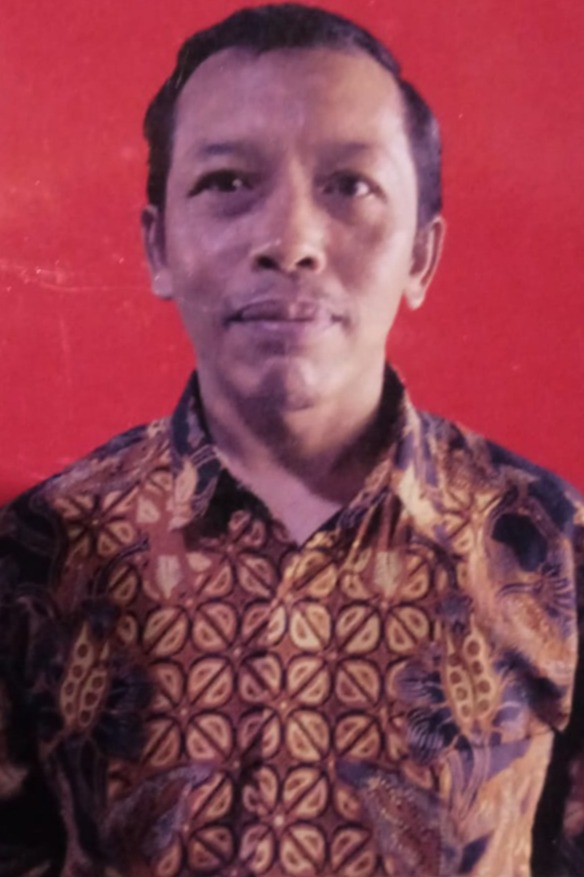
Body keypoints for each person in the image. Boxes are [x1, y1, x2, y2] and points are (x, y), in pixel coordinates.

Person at [0, 4, 582, 876]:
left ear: (420, 256)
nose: (292, 242)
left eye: (350, 185)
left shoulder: (550, 547)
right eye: (228, 181)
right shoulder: (37, 554)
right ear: (158, 246)